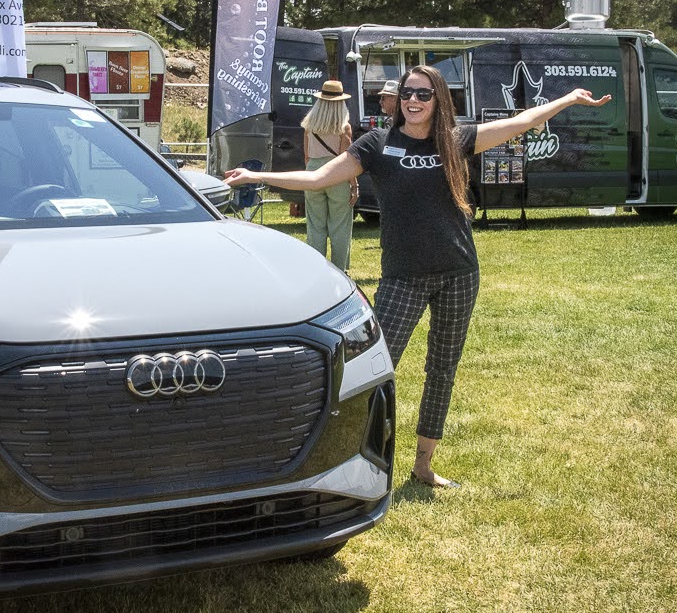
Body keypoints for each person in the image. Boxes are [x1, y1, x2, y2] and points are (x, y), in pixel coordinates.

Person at [226, 65, 610, 488]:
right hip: (403, 277)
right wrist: (257, 176)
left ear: (438, 99)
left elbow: (521, 122)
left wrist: (569, 98)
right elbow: (318, 178)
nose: (413, 100)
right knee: (372, 368)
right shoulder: (376, 144)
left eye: (423, 94)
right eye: (408, 93)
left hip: (459, 273)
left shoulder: (456, 140)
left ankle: (424, 466)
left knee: (442, 368)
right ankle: (349, 458)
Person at [302, 80, 358, 269]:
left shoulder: (309, 125)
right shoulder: (344, 127)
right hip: (337, 173)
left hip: (313, 172)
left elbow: (306, 156)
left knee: (315, 226)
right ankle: (339, 270)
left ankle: (316, 269)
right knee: (340, 226)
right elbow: (346, 159)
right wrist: (354, 185)